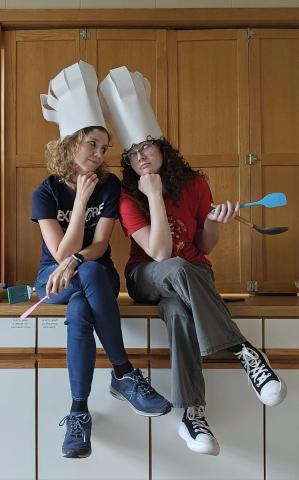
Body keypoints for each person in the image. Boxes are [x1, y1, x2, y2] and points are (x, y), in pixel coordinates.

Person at [99, 66, 287, 457]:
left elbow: (204, 244)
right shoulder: (129, 196)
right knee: (179, 268)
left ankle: (192, 414)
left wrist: (216, 223)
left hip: (192, 276)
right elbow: (161, 254)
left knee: (179, 313)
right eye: (132, 155)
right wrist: (152, 194)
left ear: (162, 148)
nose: (141, 158)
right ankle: (244, 351)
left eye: (146, 148)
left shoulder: (196, 185)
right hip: (146, 275)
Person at [32, 62, 171, 460]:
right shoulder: (45, 192)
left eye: (104, 147)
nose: (99, 153)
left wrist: (74, 260)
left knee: (82, 301)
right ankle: (124, 373)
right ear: (72, 143)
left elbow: (97, 246)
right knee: (76, 289)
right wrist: (78, 204)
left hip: (93, 273)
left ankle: (78, 413)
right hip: (52, 278)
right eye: (92, 144)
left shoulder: (110, 185)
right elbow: (57, 254)